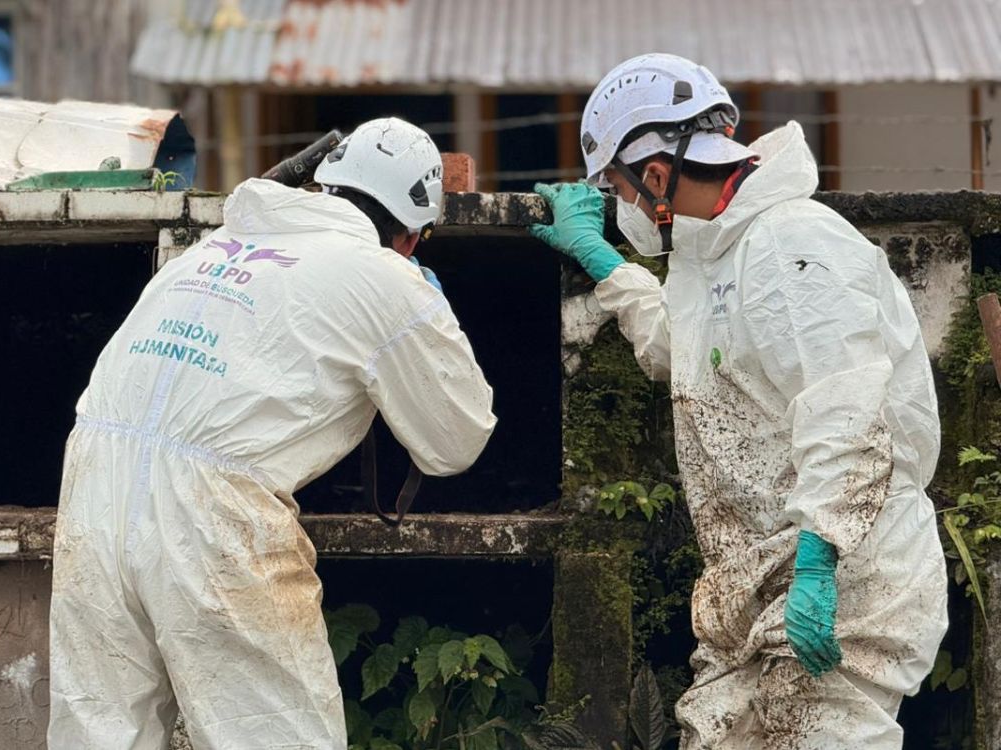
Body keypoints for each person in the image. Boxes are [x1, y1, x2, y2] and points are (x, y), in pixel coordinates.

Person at [531, 53, 947, 749]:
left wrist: (819, 561)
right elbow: (689, 355)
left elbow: (848, 412)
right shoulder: (712, 253)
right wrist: (609, 268)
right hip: (752, 587)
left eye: (620, 190)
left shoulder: (792, 241)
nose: (622, 207)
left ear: (657, 175)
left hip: (842, 582)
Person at [47, 117, 497, 749]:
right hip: (212, 512)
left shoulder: (218, 246)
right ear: (412, 234)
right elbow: (455, 441)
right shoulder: (385, 274)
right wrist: (426, 307)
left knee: (100, 730)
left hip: (93, 485)